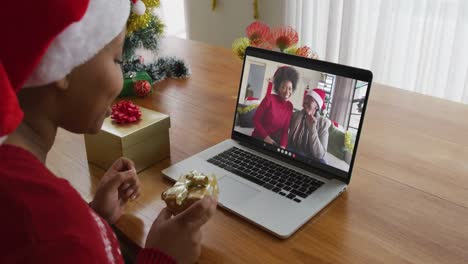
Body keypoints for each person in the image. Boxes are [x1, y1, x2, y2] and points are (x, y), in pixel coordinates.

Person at [0, 1, 216, 264]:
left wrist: (94, 217)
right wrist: (163, 257)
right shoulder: (57, 229)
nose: (122, 76)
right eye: (117, 59)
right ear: (64, 62)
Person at [251, 66, 299, 148]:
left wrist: (283, 146)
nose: (287, 92)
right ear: (278, 88)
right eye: (284, 87)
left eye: (290, 88)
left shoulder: (290, 106)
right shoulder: (269, 99)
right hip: (259, 138)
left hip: (273, 142)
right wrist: (266, 137)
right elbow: (255, 120)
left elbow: (285, 130)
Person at [288, 88, 331, 163]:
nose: (306, 101)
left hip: (312, 156)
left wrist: (312, 129)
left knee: (322, 163)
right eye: (306, 98)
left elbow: (320, 154)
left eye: (310, 99)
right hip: (294, 149)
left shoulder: (323, 124)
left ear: (317, 106)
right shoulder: (295, 115)